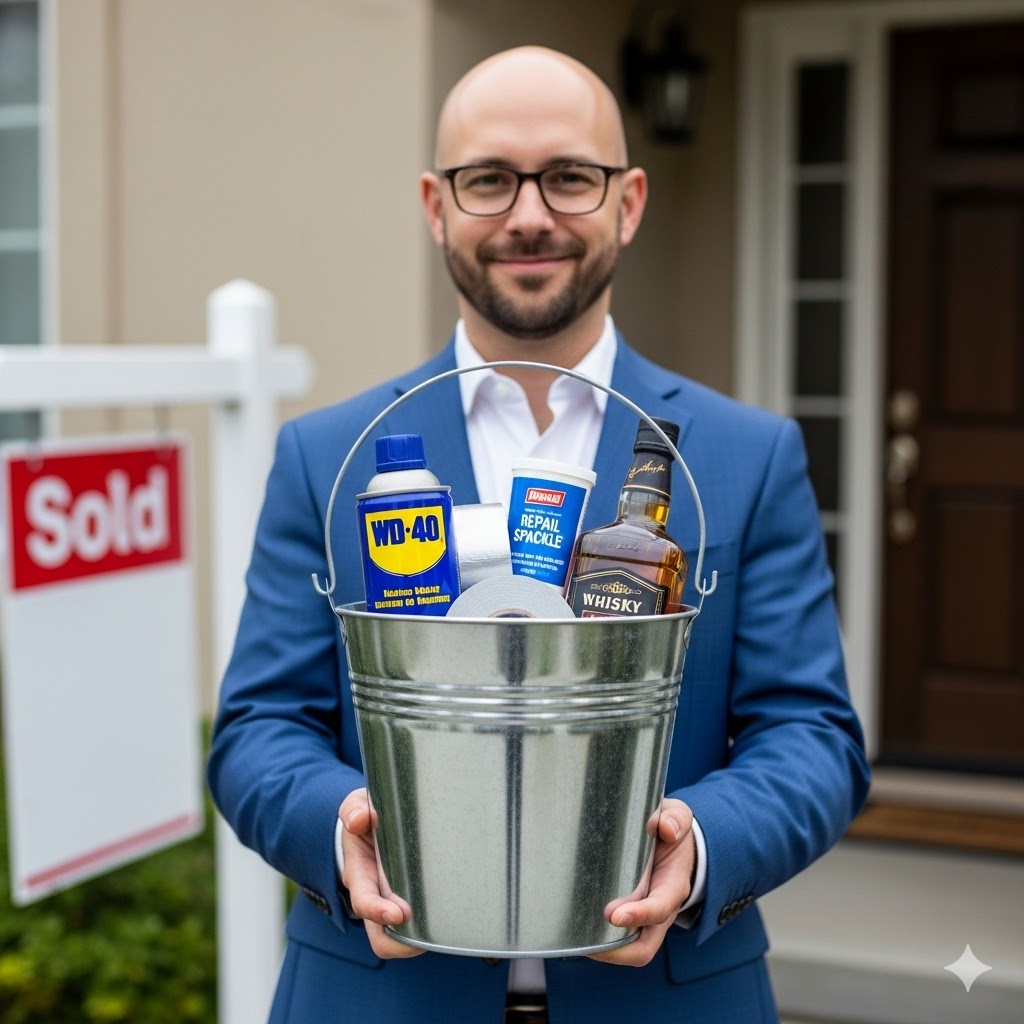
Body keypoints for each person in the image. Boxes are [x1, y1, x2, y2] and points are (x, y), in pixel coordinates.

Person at [208, 45, 870, 1023]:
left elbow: (812, 737)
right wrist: (338, 821)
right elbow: (258, 730)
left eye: (568, 177)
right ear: (436, 206)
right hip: (379, 996)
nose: (528, 215)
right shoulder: (326, 456)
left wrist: (699, 840)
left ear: (628, 202)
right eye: (488, 181)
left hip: (672, 998)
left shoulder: (745, 456)